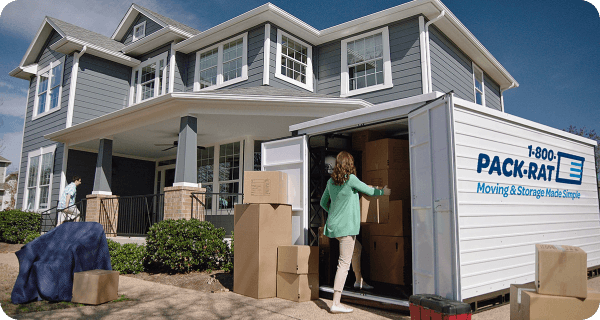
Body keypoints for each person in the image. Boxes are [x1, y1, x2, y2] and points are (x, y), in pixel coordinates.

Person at [320, 151, 391, 314]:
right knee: (343, 264)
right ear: (350, 164)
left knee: (356, 249)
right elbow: (369, 191)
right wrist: (383, 192)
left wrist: (333, 212)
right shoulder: (350, 179)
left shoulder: (331, 182)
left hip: (335, 227)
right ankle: (336, 302)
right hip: (346, 228)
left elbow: (324, 202)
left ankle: (359, 280)